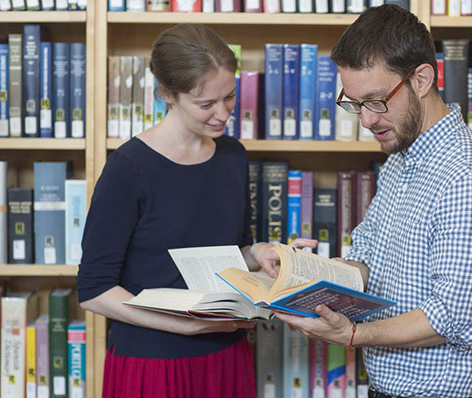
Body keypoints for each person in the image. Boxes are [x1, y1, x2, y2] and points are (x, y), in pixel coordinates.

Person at [273, 5, 472, 398]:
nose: (366, 120)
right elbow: (371, 263)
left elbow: (451, 318)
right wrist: (302, 274)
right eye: (354, 103)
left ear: (421, 78)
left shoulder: (467, 178)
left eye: (375, 101)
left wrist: (353, 334)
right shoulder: (402, 161)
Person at [76, 23, 315, 398]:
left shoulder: (233, 156)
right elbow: (93, 290)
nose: (222, 114)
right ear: (166, 95)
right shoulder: (128, 168)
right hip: (154, 362)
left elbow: (224, 253)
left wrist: (261, 253)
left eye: (230, 97)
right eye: (205, 104)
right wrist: (182, 327)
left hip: (226, 352)